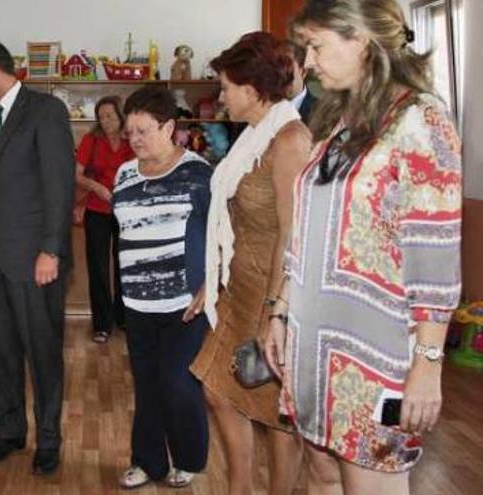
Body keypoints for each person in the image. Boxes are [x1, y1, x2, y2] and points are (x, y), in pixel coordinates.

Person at [265, 1, 462, 493]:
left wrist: (428, 365)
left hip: (376, 356)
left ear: (360, 39)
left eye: (316, 47)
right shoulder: (342, 121)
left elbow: (433, 252)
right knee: (323, 473)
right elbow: (309, 228)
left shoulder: (421, 120)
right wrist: (281, 309)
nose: (307, 64)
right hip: (318, 347)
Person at [187, 31, 312, 495]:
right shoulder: (253, 136)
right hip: (238, 289)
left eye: (225, 86)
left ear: (253, 86)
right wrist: (211, 283)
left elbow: (292, 232)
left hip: (272, 296)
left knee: (277, 416)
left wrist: (275, 311)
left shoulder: (290, 139)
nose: (220, 96)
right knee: (219, 392)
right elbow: (232, 222)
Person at [0, 39, 75, 475]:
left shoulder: (45, 112)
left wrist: (51, 250)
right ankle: (9, 432)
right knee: (2, 350)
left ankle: (49, 439)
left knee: (42, 351)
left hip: (34, 260)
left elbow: (58, 187)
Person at [112, 86, 210, 490]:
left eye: (143, 130)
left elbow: (223, 234)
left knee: (177, 383)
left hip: (184, 303)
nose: (133, 139)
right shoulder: (125, 173)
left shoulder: (198, 172)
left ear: (169, 127)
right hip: (137, 303)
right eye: (129, 131)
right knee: (147, 385)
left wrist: (209, 284)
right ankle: (147, 461)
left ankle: (188, 459)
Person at [74, 95, 134, 344]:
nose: (106, 121)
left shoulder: (132, 138)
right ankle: (102, 324)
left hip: (127, 211)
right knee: (98, 268)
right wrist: (97, 188)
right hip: (97, 210)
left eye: (110, 115)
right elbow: (76, 175)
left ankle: (123, 318)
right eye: (101, 117)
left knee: (125, 266)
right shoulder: (91, 140)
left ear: (120, 116)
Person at [288, 44, 317, 125]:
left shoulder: (322, 111)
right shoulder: (262, 110)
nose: (280, 76)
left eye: (288, 71)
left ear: (303, 72)